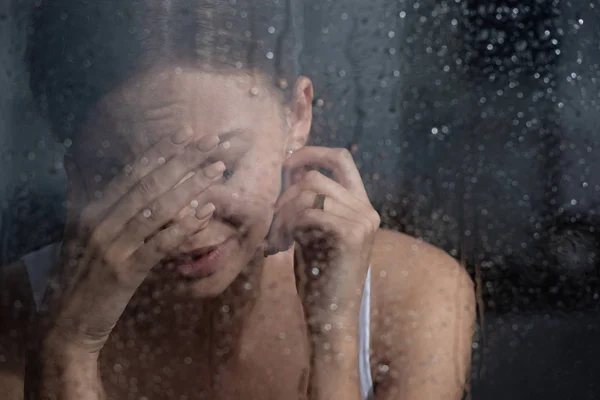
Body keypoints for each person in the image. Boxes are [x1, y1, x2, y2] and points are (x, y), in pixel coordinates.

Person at [0, 0, 475, 399]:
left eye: (222, 167)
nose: (185, 217)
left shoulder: (412, 296)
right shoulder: (15, 312)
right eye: (135, 183)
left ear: (297, 115)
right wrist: (68, 348)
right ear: (78, 177)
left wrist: (333, 336)